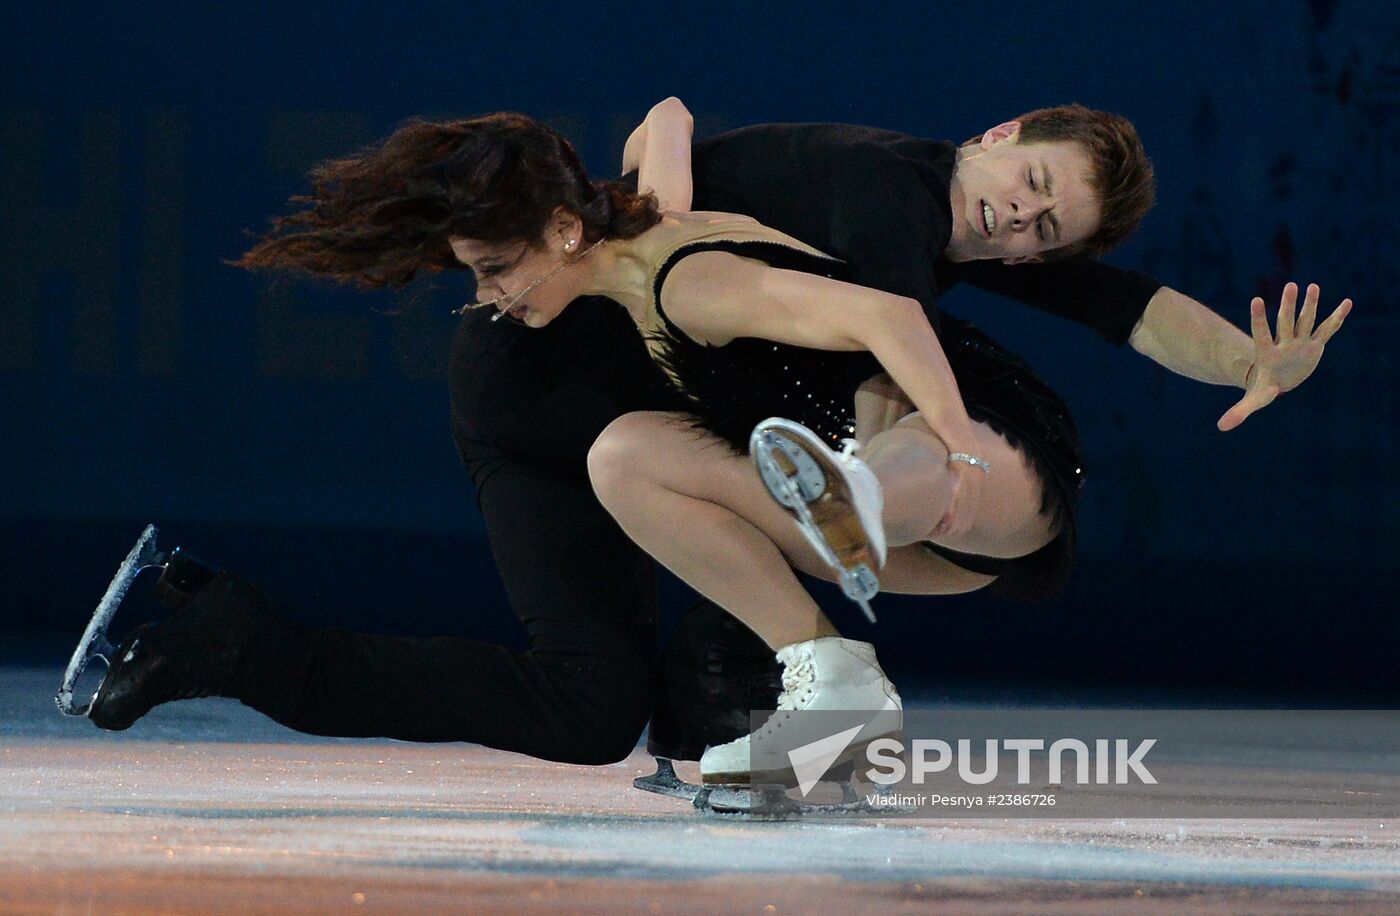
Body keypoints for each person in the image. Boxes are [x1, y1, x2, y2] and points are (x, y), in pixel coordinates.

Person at [80, 101, 1348, 780]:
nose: (1021, 225)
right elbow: (872, 328)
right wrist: (662, 194)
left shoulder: (946, 226)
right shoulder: (881, 196)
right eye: (1027, 191)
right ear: (1002, 132)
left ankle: (773, 675)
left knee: (601, 709)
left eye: (1042, 231)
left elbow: (1118, 305)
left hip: (651, 392)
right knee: (826, 450)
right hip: (563, 392)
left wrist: (1243, 359)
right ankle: (785, 644)